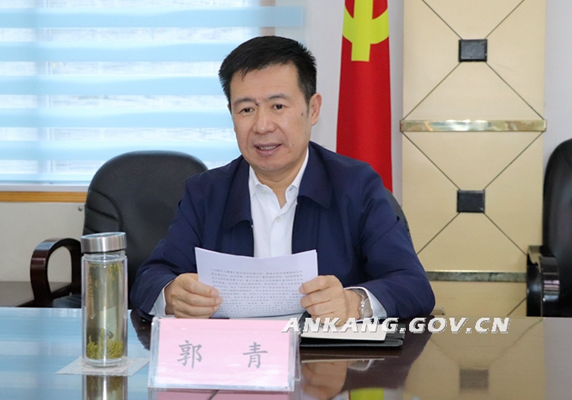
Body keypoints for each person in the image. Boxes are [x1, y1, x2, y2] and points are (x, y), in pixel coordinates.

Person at [130, 36, 434, 322]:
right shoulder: (206, 193)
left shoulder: (356, 186)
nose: (262, 126)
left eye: (278, 106)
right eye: (246, 109)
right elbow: (149, 279)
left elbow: (412, 285)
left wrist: (354, 302)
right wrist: (172, 295)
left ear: (312, 109)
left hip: (328, 357)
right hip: (233, 356)